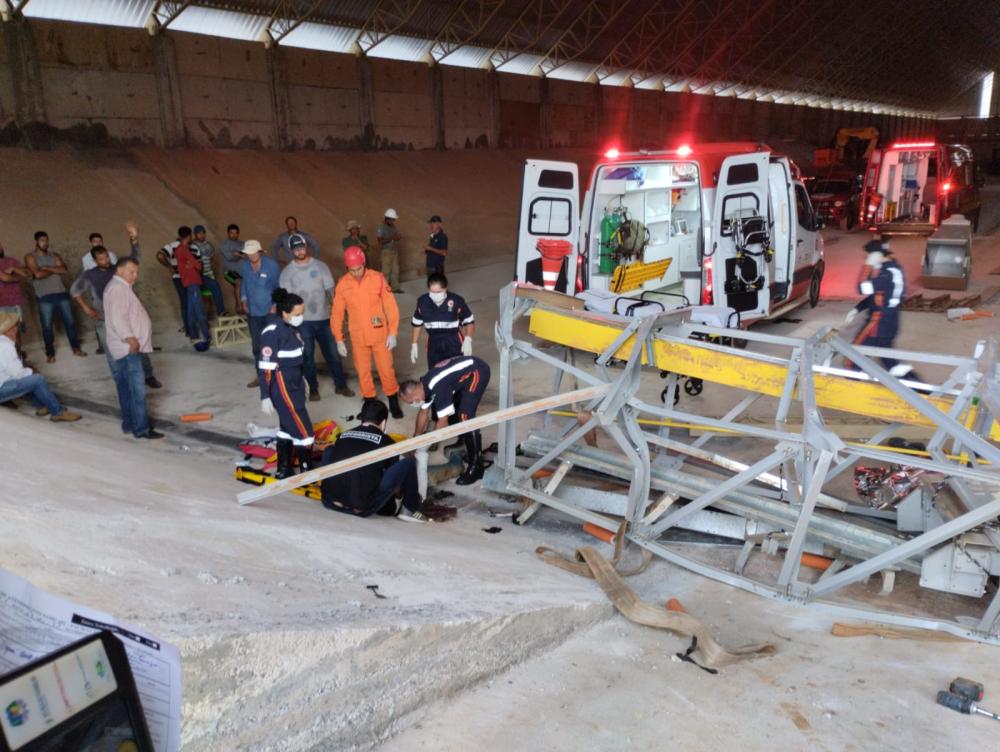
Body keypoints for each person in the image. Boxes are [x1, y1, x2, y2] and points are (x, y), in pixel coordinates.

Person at [71, 240, 162, 389]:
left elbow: (134, 258)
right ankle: (121, 381)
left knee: (139, 347)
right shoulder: (89, 275)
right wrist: (86, 308)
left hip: (126, 318)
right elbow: (74, 291)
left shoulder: (117, 270)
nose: (106, 261)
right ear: (94, 260)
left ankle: (148, 376)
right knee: (112, 352)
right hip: (103, 319)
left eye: (107, 257)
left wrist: (134, 239)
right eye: (101, 259)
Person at [319, 399, 427, 523]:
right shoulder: (387, 443)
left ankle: (331, 493)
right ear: (383, 423)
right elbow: (393, 484)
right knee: (408, 463)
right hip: (361, 508)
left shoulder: (342, 436)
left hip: (329, 501)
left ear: (362, 418)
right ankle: (410, 509)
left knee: (329, 450)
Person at [279, 233, 354, 400]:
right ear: (292, 251)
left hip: (324, 319)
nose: (300, 251)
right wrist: (289, 323)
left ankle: (340, 385)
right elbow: (286, 301)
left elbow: (330, 292)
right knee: (307, 357)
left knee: (333, 354)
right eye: (296, 249)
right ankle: (313, 389)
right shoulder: (287, 273)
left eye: (302, 247)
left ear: (306, 246)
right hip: (302, 322)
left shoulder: (321, 267)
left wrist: (338, 312)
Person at [331, 246, 404, 418]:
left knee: (386, 369)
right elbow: (337, 312)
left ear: (363, 263)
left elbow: (391, 307)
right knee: (363, 372)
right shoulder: (343, 284)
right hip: (358, 337)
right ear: (347, 267)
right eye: (352, 269)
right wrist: (338, 338)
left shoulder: (378, 278)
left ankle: (393, 402)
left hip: (380, 335)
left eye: (358, 268)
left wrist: (393, 332)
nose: (356, 272)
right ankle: (369, 403)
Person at [398, 355, 491, 485]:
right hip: (465, 374)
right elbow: (423, 413)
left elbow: (443, 422)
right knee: (458, 409)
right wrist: (416, 438)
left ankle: (476, 467)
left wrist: (425, 445)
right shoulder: (424, 386)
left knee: (465, 415)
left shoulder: (438, 387)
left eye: (410, 402)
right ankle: (464, 441)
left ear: (414, 395)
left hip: (477, 371)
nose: (412, 404)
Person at [104, 258, 162, 439]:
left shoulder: (118, 287)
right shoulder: (118, 289)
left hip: (123, 347)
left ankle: (129, 423)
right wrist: (131, 339)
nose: (135, 276)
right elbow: (118, 318)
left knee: (126, 387)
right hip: (127, 348)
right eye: (132, 272)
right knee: (136, 390)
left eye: (137, 272)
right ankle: (142, 428)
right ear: (120, 270)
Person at [258, 287, 314, 478]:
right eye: (297, 314)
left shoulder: (293, 329)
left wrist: (303, 379)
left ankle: (284, 469)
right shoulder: (272, 332)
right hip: (282, 385)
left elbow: (297, 358)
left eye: (302, 313)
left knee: (287, 427)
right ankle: (307, 473)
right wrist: (265, 395)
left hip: (295, 382)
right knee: (304, 430)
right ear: (285, 313)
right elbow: (265, 368)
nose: (300, 317)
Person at [844, 238, 915, 379]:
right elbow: (878, 296)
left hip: (878, 323)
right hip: (890, 322)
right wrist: (857, 309)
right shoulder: (894, 268)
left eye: (869, 255)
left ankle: (849, 387)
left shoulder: (886, 273)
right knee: (889, 360)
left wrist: (867, 266)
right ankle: (918, 387)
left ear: (876, 254)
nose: (867, 257)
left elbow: (862, 288)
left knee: (854, 357)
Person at [0, 310, 81, 422]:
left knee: (27, 378)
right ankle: (58, 412)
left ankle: (41, 406)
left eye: (15, 327)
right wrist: (31, 371)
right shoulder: (5, 346)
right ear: (6, 331)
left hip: (2, 383)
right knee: (37, 379)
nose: (16, 330)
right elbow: (18, 373)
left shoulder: (3, 343)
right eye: (13, 328)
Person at [24, 231, 85, 363]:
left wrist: (46, 268)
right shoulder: (30, 257)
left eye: (46, 240)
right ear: (36, 241)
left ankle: (76, 348)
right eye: (42, 241)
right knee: (47, 327)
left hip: (61, 293)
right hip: (44, 297)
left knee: (70, 323)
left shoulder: (54, 255)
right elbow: (37, 274)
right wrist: (53, 269)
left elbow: (64, 269)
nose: (45, 243)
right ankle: (50, 353)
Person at [239, 239, 281, 388]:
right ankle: (261, 376)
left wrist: (275, 305)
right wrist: (244, 300)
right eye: (248, 253)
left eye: (254, 252)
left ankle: (277, 378)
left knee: (272, 345)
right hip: (253, 313)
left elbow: (279, 287)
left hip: (270, 312)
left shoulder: (272, 266)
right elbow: (244, 284)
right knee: (257, 346)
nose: (251, 256)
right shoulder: (244, 266)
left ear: (260, 251)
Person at [410, 272, 474, 368]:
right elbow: (417, 324)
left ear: (445, 288)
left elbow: (469, 321)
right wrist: (414, 343)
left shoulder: (457, 301)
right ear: (428, 289)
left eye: (439, 292)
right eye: (432, 292)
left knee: (457, 371)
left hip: (454, 341)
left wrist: (468, 339)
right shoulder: (422, 302)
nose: (435, 295)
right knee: (434, 371)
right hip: (433, 342)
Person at [174, 226, 211, 351]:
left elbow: (191, 264)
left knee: (190, 311)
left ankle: (194, 336)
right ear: (189, 236)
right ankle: (207, 337)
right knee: (199, 311)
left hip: (187, 283)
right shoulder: (184, 250)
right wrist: (195, 264)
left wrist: (192, 264)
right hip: (193, 282)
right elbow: (199, 266)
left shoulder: (179, 250)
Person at [0, 242, 31, 360]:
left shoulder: (11, 261)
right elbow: (5, 278)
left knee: (16, 333)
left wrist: (13, 269)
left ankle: (18, 358)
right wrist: (17, 276)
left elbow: (27, 273)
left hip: (16, 302)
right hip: (1, 305)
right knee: (5, 334)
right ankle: (10, 360)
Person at [156, 233, 188, 336]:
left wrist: (170, 267)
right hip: (183, 278)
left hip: (180, 278)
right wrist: (170, 267)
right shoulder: (176, 245)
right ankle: (189, 326)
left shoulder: (173, 245)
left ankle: (188, 326)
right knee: (189, 301)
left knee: (185, 301)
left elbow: (160, 255)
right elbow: (160, 255)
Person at [191, 224, 226, 317]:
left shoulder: (209, 245)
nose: (201, 235)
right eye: (199, 234)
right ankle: (218, 312)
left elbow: (212, 258)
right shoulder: (192, 246)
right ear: (195, 234)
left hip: (209, 273)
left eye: (203, 233)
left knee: (209, 296)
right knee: (204, 296)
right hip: (198, 275)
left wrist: (211, 268)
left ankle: (211, 314)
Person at [220, 223, 245, 312]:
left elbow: (246, 256)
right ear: (228, 233)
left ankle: (245, 308)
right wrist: (240, 254)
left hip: (243, 272)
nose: (233, 235)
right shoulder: (224, 244)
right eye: (231, 233)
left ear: (238, 233)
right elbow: (230, 258)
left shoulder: (243, 243)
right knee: (239, 282)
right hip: (229, 272)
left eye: (235, 233)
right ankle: (239, 307)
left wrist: (236, 253)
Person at [376, 208, 403, 293]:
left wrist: (398, 237)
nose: (393, 221)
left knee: (395, 270)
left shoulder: (393, 226)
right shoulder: (381, 227)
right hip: (386, 252)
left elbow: (394, 237)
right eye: (392, 219)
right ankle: (384, 290)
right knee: (386, 272)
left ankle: (395, 288)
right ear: (387, 218)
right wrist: (393, 238)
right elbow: (380, 241)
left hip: (394, 251)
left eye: (394, 219)